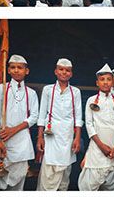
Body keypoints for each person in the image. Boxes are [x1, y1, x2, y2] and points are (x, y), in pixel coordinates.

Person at [36, 58, 82, 191]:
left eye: (67, 70)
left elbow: (78, 118)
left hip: (68, 137)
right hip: (50, 136)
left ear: (71, 74)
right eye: (61, 69)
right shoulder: (48, 90)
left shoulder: (75, 92)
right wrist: (40, 137)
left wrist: (77, 138)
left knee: (65, 174)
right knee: (48, 172)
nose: (64, 72)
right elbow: (41, 115)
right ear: (55, 71)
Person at [0, 54, 39, 191]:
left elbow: (34, 116)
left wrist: (13, 130)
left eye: (20, 67)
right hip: (3, 141)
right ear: (8, 70)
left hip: (22, 144)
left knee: (18, 184)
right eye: (12, 67)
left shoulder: (31, 93)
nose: (16, 70)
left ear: (27, 71)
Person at [78, 64, 114, 191]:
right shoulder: (91, 100)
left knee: (111, 186)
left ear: (113, 82)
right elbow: (89, 124)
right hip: (97, 148)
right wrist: (101, 146)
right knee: (88, 186)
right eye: (102, 79)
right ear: (97, 82)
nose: (105, 82)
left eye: (109, 79)